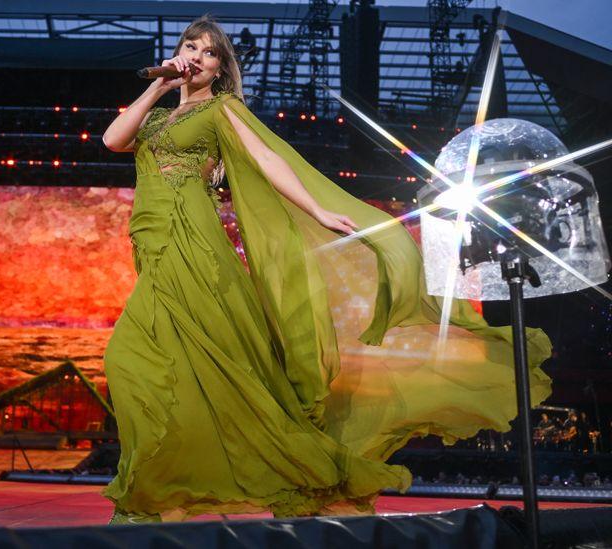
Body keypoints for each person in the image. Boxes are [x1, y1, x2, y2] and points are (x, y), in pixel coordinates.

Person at [99, 15, 552, 523]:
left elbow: (269, 161)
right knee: (172, 363)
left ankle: (180, 479)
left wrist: (316, 210)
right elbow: (113, 140)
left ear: (221, 70)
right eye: (191, 47)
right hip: (153, 240)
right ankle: (167, 476)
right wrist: (160, 85)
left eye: (209, 53)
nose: (197, 57)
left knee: (127, 358)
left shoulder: (222, 109)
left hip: (191, 241)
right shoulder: (158, 118)